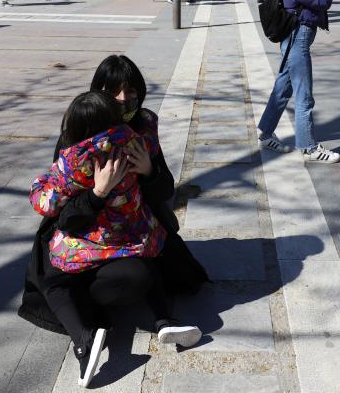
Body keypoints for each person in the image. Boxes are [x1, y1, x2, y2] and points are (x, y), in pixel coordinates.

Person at [20, 82, 205, 387]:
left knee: (51, 279)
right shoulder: (135, 141)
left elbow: (47, 201)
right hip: (138, 235)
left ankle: (84, 340)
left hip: (96, 243)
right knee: (152, 255)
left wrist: (43, 184)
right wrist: (146, 170)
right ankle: (165, 320)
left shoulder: (76, 159)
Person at [257, 0, 340, 163]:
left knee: (283, 88)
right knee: (304, 95)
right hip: (297, 38)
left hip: (298, 36)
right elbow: (323, 1)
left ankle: (265, 132)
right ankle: (309, 147)